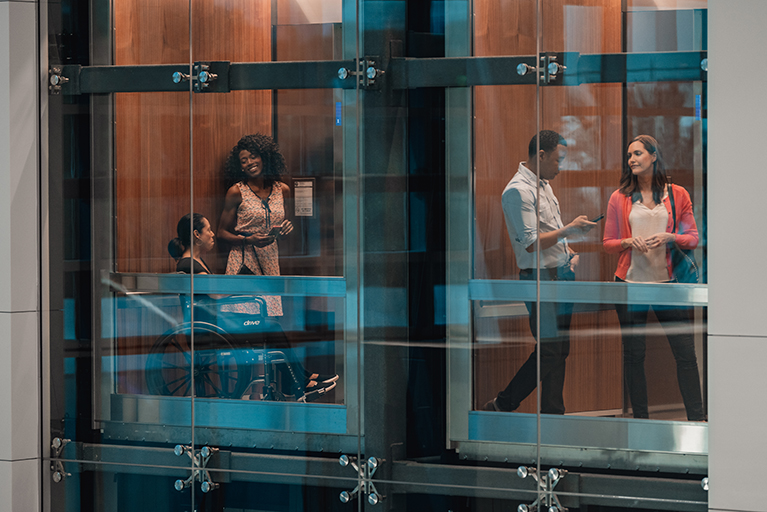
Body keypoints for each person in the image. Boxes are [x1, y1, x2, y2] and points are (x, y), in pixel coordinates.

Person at [484, 130, 597, 414]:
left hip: (560, 274)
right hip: (540, 279)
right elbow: (532, 242)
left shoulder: (543, 185)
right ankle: (502, 404)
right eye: (558, 160)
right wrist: (570, 230)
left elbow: (551, 231)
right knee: (549, 350)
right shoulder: (517, 191)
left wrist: (567, 252)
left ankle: (552, 416)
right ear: (542, 155)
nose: (561, 166)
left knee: (559, 351)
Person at [169, 213, 337, 402]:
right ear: (196, 234)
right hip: (212, 329)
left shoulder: (193, 263)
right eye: (208, 229)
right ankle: (298, 381)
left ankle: (302, 378)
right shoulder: (190, 264)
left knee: (271, 325)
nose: (213, 234)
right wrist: (240, 285)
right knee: (271, 327)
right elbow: (216, 295)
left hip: (215, 323)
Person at [603, 134, 705, 421]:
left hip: (668, 286)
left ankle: (697, 419)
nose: (631, 159)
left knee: (685, 354)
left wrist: (670, 236)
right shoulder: (619, 197)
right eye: (629, 155)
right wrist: (627, 242)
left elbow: (694, 238)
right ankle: (641, 422)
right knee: (634, 356)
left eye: (637, 153)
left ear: (654, 156)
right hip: (630, 286)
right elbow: (608, 242)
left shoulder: (677, 194)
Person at [217, 133, 294, 317]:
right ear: (240, 167)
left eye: (253, 156)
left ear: (264, 157)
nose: (249, 162)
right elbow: (220, 233)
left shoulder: (283, 189)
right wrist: (248, 240)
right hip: (244, 259)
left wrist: (286, 228)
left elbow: (284, 222)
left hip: (270, 259)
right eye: (243, 161)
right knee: (244, 316)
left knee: (268, 317)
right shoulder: (236, 191)